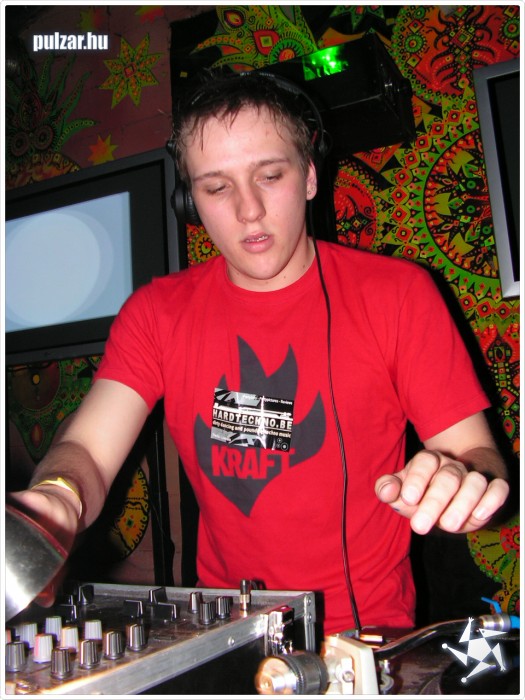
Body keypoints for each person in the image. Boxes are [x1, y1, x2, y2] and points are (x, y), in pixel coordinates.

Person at [9, 71, 509, 637]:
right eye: (217, 188)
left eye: (270, 175)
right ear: (190, 201)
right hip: (227, 632)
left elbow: (475, 453)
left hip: (365, 638)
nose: (248, 210)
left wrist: (462, 479)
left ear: (310, 176)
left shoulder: (399, 295)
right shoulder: (156, 313)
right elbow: (87, 450)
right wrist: (57, 498)